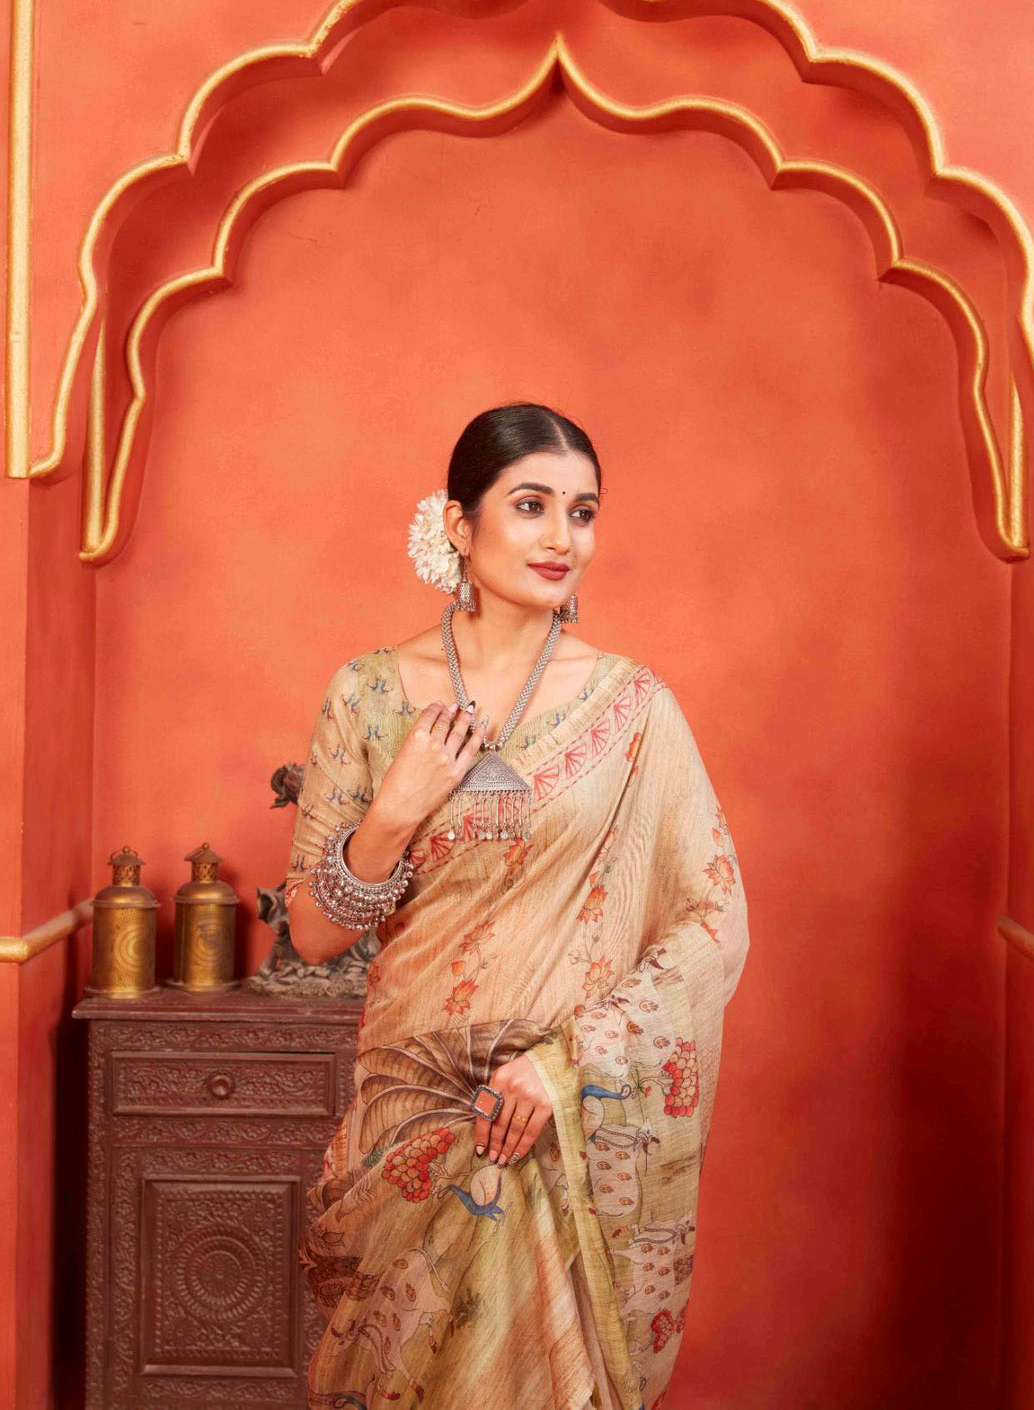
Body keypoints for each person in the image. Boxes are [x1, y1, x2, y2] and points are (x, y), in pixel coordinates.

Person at [286, 401, 750, 1410]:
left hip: (556, 1122)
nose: (561, 538)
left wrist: (565, 1063)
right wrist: (394, 813)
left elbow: (715, 919)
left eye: (581, 513)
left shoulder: (634, 711)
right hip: (407, 1121)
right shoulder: (367, 696)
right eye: (531, 504)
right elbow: (315, 932)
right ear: (459, 524)